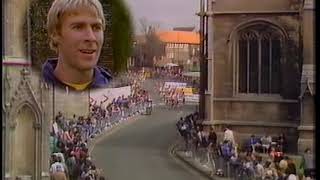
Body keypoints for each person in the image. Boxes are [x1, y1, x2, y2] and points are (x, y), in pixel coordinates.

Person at [42, 0, 112, 91]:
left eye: (96, 27)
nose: (91, 38)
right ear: (55, 34)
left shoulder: (116, 89)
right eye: (78, 27)